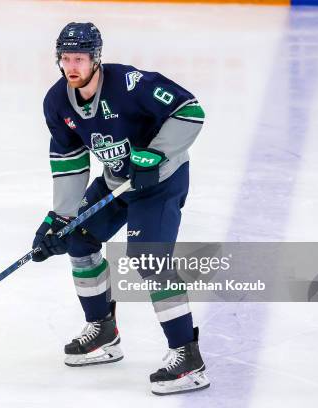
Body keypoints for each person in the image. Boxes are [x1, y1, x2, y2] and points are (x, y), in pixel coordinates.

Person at [30, 22, 210, 395]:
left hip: (161, 183)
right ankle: (104, 334)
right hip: (117, 182)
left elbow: (190, 111)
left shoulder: (131, 84)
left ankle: (188, 356)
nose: (72, 66)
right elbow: (69, 159)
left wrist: (156, 153)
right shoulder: (57, 101)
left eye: (79, 58)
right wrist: (61, 218)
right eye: (65, 58)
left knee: (148, 259)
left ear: (96, 58)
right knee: (77, 240)